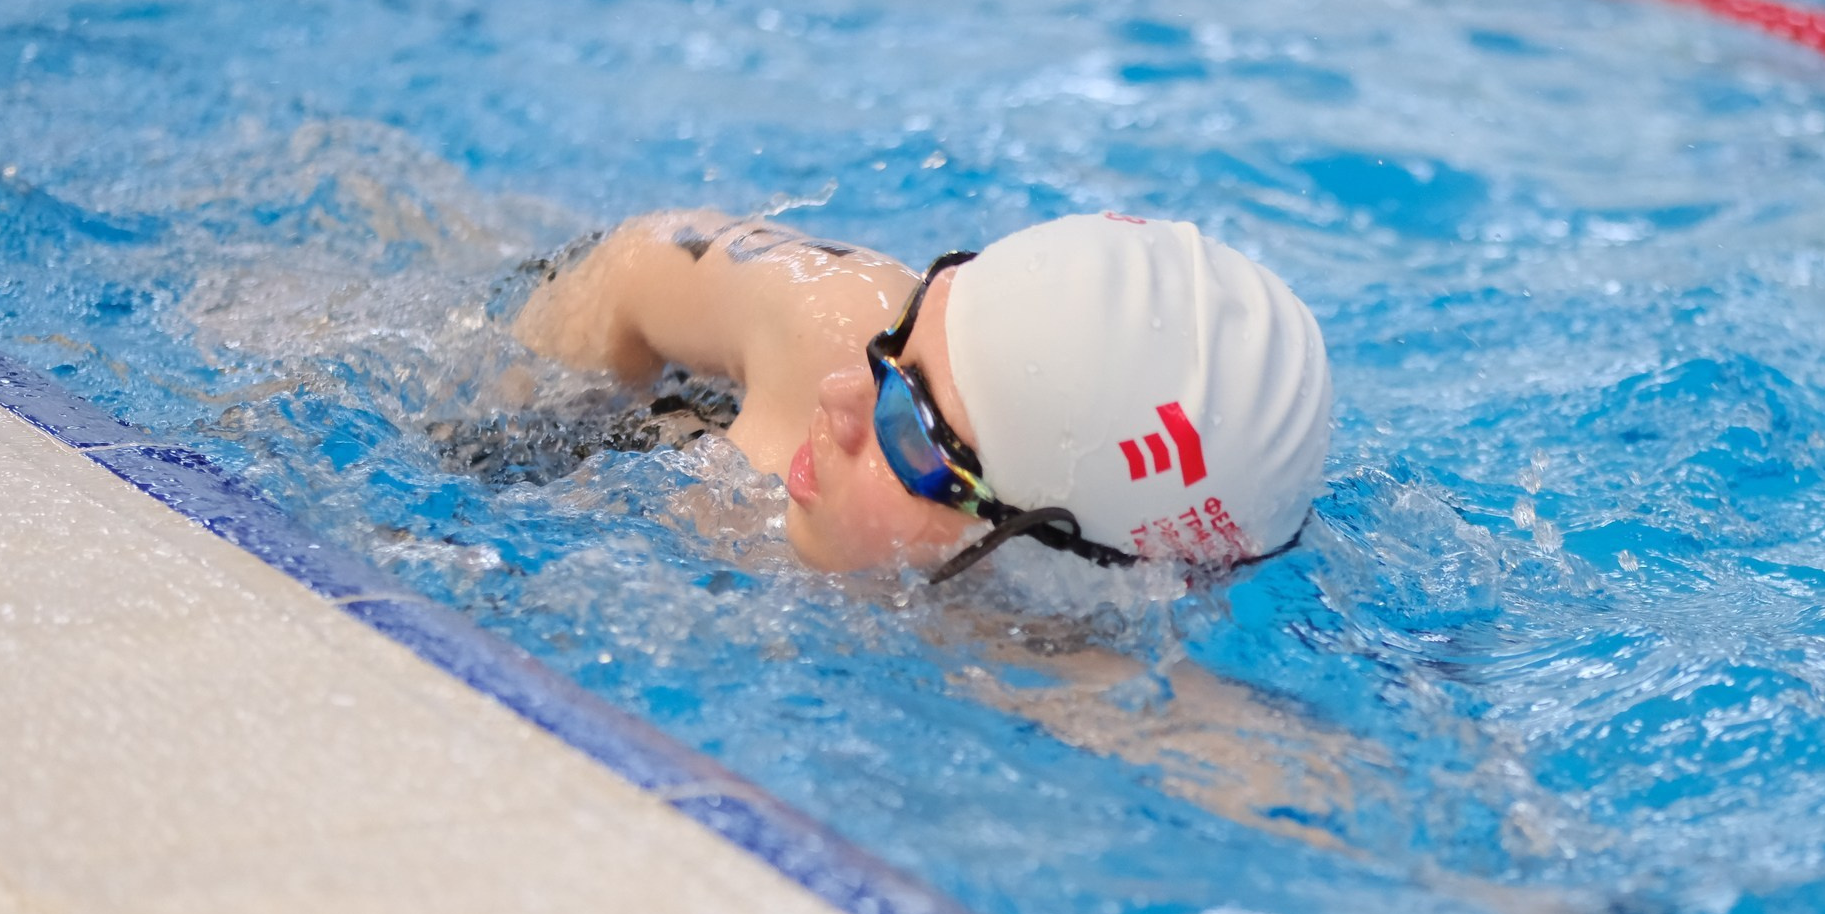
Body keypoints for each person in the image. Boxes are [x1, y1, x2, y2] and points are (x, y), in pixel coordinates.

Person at [512, 209, 1332, 583]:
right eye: (895, 346)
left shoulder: (1074, 686)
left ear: (1045, 553)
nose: (837, 399)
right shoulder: (831, 320)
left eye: (908, 425)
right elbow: (632, 262)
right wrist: (525, 410)